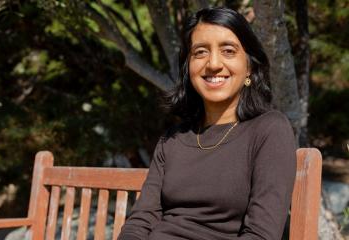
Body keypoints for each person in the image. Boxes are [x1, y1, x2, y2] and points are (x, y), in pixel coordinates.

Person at [118, 7, 296, 240]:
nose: (213, 64)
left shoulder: (269, 130)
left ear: (249, 66)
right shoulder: (174, 139)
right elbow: (141, 220)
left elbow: (261, 235)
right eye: (200, 52)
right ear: (188, 67)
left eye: (228, 51)